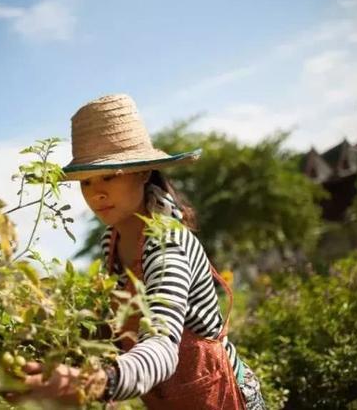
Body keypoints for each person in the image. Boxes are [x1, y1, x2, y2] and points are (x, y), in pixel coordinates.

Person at [19, 94, 266, 409]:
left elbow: (162, 346)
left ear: (142, 172)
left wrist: (93, 383)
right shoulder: (111, 243)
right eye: (87, 183)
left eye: (110, 176)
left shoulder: (167, 246)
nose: (97, 194)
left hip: (222, 398)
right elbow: (116, 329)